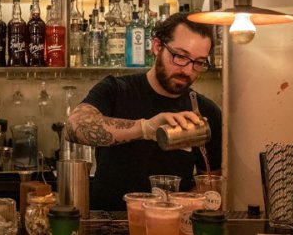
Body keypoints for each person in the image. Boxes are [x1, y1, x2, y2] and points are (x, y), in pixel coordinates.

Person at [65, 12, 222, 211]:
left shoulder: (205, 111)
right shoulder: (117, 90)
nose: (188, 70)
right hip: (107, 222)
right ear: (157, 47)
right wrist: (145, 128)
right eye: (180, 56)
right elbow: (73, 126)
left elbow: (210, 183)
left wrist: (185, 203)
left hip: (168, 227)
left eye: (199, 62)